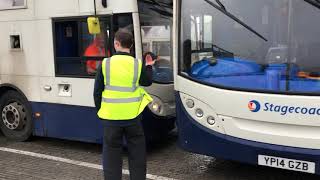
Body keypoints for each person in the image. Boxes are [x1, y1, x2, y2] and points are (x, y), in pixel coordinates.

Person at [93, 28, 154, 180]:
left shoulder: (105, 64)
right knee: (137, 153)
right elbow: (147, 82)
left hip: (111, 119)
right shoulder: (137, 64)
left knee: (112, 155)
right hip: (133, 118)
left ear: (116, 44)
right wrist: (149, 66)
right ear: (131, 45)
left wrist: (101, 111)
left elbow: (97, 92)